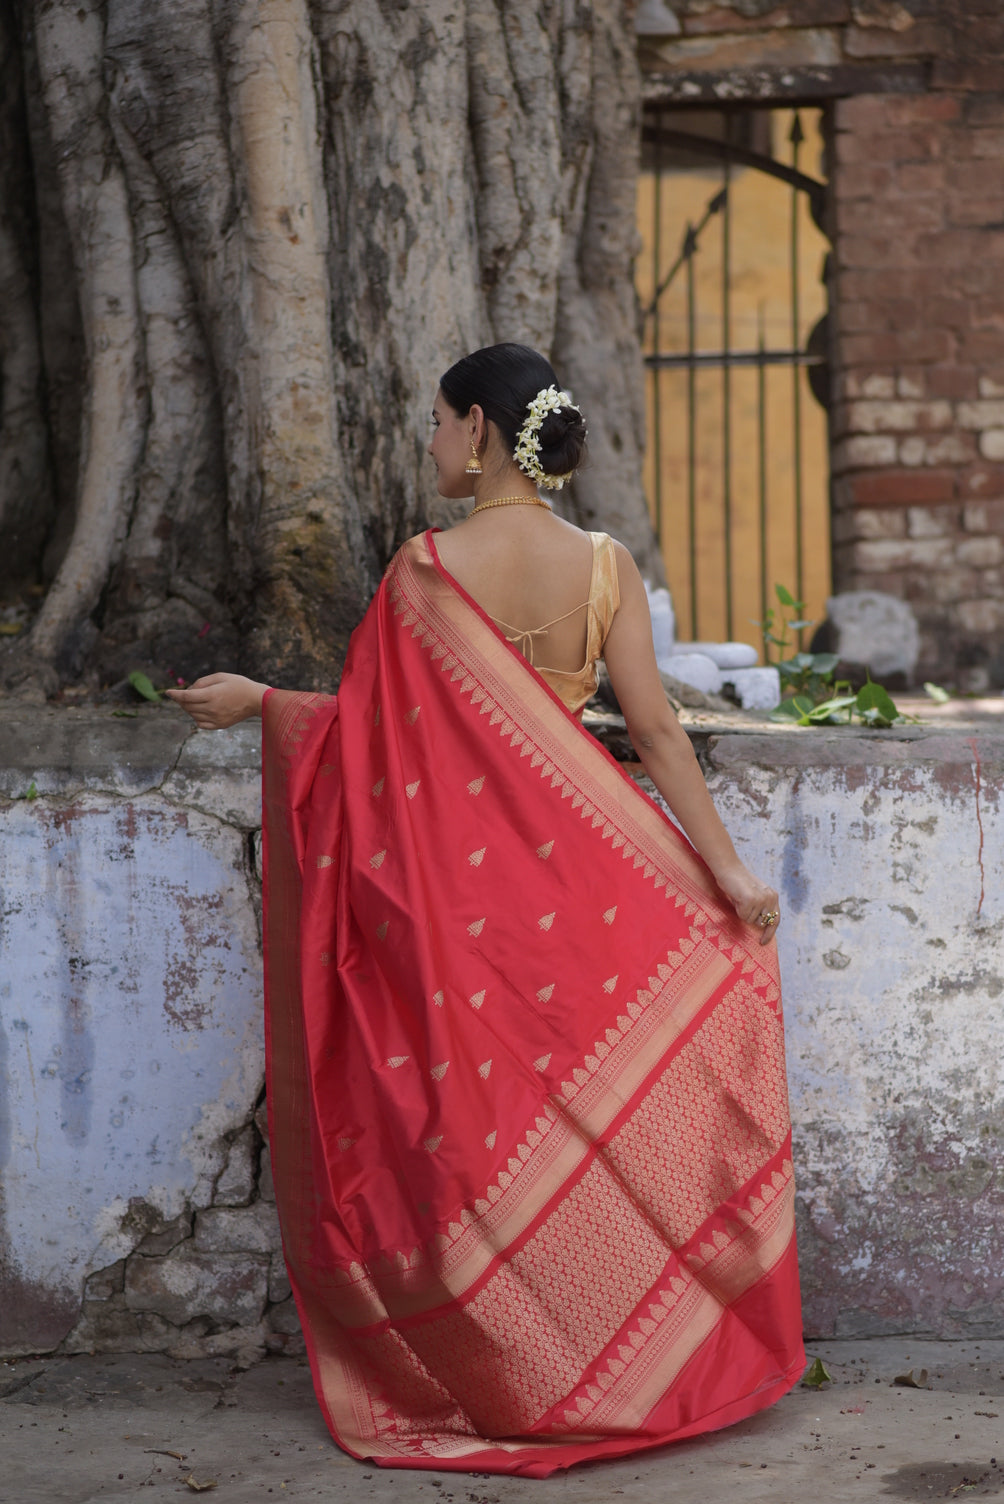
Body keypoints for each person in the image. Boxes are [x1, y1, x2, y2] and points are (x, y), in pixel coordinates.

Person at [167, 343, 802, 1478]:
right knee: (585, 1131)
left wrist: (263, 701)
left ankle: (505, 1373)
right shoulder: (605, 565)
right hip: (583, 895)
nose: (426, 440)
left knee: (472, 1137)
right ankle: (618, 1365)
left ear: (475, 427)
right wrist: (728, 876)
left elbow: (369, 738)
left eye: (434, 418)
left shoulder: (425, 569)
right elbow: (653, 736)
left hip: (458, 908)